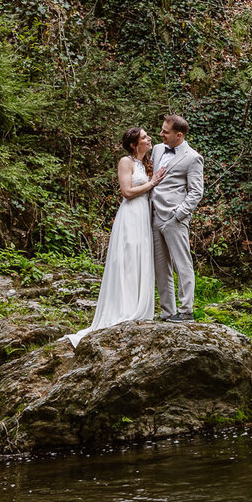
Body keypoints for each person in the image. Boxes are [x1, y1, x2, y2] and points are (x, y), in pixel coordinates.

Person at [66, 128, 167, 346]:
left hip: (144, 215)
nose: (150, 139)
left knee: (141, 259)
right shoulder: (126, 161)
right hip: (131, 215)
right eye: (145, 137)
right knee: (128, 258)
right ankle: (124, 308)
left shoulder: (146, 162)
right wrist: (152, 183)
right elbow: (127, 191)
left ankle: (139, 308)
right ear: (134, 144)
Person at [151, 114, 205, 322]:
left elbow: (196, 192)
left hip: (175, 218)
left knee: (182, 265)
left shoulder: (193, 157)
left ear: (179, 135)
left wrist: (179, 214)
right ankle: (167, 311)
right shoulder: (157, 149)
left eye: (165, 131)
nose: (161, 134)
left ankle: (186, 311)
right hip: (155, 215)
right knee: (161, 266)